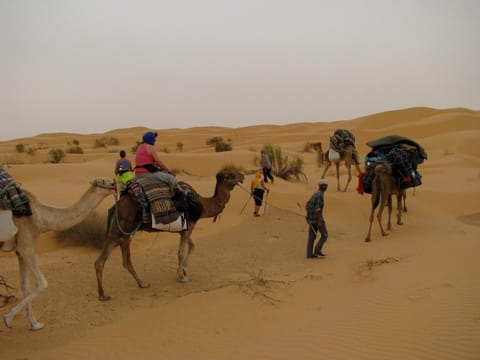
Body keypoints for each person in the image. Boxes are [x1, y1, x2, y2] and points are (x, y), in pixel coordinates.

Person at [135, 131, 183, 196]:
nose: (155, 140)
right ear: (151, 139)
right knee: (170, 178)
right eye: (154, 138)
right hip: (147, 173)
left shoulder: (139, 147)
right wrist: (168, 171)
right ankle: (180, 194)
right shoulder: (150, 147)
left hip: (137, 174)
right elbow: (158, 162)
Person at [305, 178, 329, 258]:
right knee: (325, 235)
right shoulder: (319, 195)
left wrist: (309, 216)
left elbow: (308, 205)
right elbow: (317, 209)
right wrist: (319, 220)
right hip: (316, 218)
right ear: (320, 186)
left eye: (326, 185)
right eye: (324, 185)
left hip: (311, 218)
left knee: (311, 236)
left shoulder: (316, 193)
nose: (326, 187)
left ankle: (309, 254)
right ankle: (317, 251)